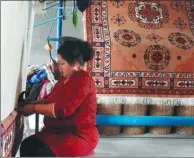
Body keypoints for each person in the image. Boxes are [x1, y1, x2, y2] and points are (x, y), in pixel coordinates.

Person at [18, 39, 99, 157]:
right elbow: (49, 99)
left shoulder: (83, 80)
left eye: (62, 64)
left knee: (40, 152)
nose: (60, 67)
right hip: (56, 132)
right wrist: (29, 103)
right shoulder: (64, 80)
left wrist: (32, 107)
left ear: (75, 64)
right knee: (27, 145)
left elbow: (61, 110)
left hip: (78, 135)